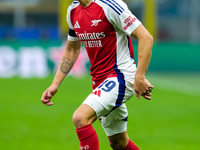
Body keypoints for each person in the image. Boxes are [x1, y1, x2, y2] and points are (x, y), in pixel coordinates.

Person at [41, 0, 154, 149]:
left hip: (120, 75)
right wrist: (55, 84)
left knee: (80, 117)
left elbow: (146, 37)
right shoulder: (73, 10)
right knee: (118, 143)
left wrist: (139, 76)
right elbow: (72, 49)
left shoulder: (111, 5)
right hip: (100, 81)